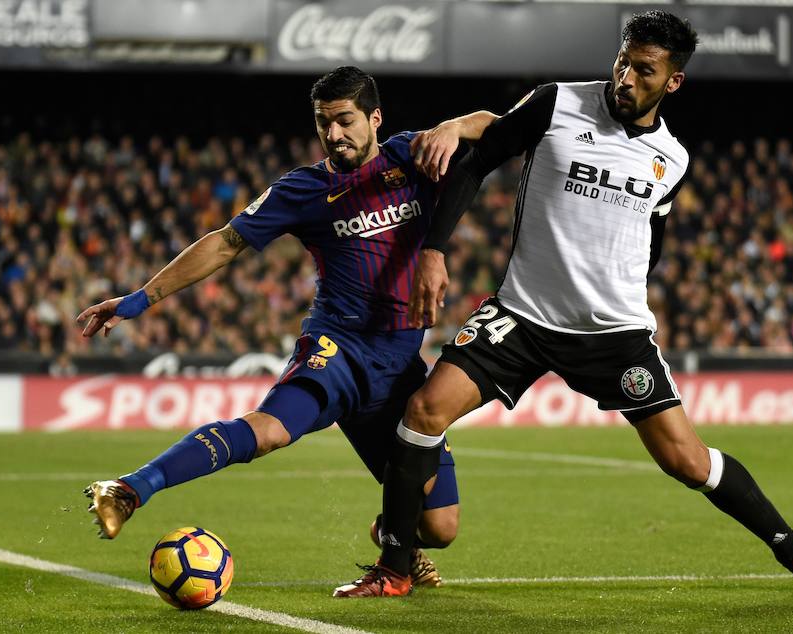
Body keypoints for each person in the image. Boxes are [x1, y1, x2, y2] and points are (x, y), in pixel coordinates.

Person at [334, 11, 793, 597]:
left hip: (615, 334)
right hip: (523, 316)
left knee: (687, 462)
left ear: (673, 81)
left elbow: (651, 235)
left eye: (644, 69)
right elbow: (480, 158)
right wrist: (434, 249)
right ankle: (396, 566)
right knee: (423, 411)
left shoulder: (672, 160)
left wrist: (618, 285)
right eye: (623, 61)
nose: (626, 77)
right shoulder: (556, 103)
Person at [79, 66, 497, 591]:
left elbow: (497, 125)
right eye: (324, 123)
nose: (334, 134)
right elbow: (224, 243)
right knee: (269, 431)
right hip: (337, 349)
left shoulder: (409, 156)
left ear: (375, 118)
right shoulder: (303, 188)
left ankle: (396, 540)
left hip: (399, 371)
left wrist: (455, 126)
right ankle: (128, 489)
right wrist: (139, 299)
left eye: (345, 121)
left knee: (440, 528)